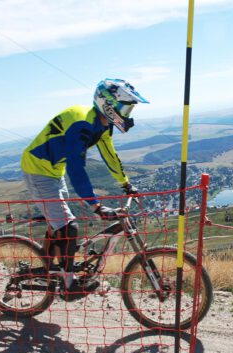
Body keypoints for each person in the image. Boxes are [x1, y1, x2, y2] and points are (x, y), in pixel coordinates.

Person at [21, 78, 148, 297]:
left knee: (59, 225)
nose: (127, 114)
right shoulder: (82, 124)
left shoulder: (102, 124)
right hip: (38, 170)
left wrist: (126, 184)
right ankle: (69, 286)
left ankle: (52, 269)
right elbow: (77, 169)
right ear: (107, 104)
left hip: (53, 171)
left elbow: (109, 154)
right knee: (70, 228)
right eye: (125, 107)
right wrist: (96, 206)